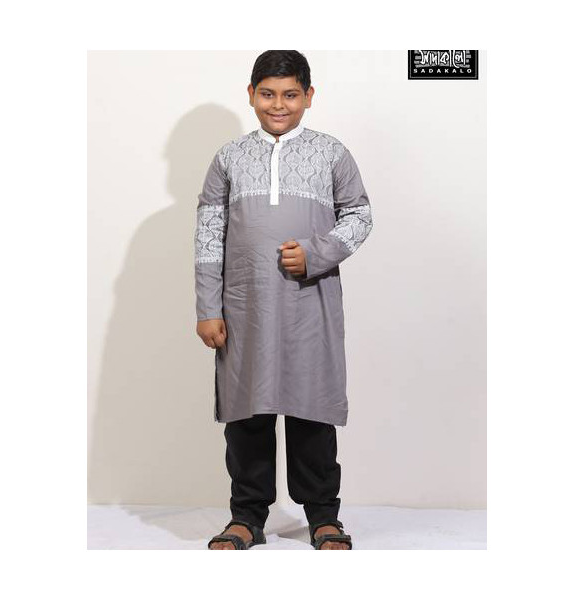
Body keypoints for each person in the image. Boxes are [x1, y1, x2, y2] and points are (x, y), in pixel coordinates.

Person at [194, 50, 373, 550]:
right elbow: (209, 234)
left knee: (310, 411)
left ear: (308, 96)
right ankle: (246, 517)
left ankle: (324, 517)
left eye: (291, 94)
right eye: (268, 94)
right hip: (244, 307)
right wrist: (208, 307)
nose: (279, 104)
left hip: (308, 305)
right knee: (247, 415)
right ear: (251, 95)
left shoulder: (331, 153)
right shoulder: (230, 157)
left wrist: (317, 252)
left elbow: (359, 215)